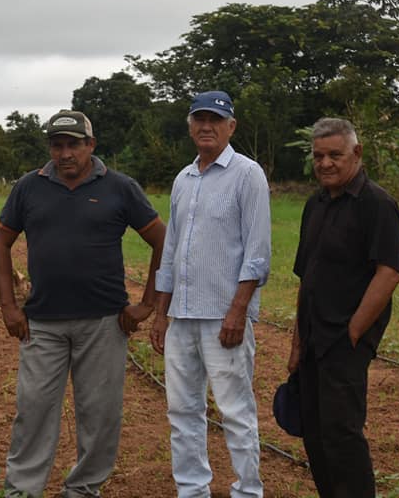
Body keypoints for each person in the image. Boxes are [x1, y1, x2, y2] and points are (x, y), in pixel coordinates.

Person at [0, 109, 167, 497]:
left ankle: (84, 489)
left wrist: (147, 303)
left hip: (104, 323)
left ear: (91, 145)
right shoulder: (28, 187)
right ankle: (22, 490)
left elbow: (161, 241)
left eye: (74, 144)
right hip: (42, 323)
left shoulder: (120, 188)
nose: (66, 153)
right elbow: (0, 242)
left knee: (100, 415)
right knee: (33, 411)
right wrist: (8, 307)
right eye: (58, 145)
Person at [150, 91, 271, 498]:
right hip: (181, 317)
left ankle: (247, 491)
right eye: (199, 119)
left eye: (215, 120)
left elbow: (257, 254)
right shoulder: (184, 179)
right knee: (182, 411)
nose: (206, 126)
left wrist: (237, 312)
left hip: (224, 317)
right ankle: (192, 490)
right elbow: (171, 251)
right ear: (189, 126)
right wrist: (160, 314)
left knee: (235, 411)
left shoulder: (247, 173)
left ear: (231, 126)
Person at [287, 117, 399, 498]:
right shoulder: (315, 204)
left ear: (357, 153)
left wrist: (354, 332)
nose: (325, 164)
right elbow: (307, 276)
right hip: (313, 339)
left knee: (342, 433)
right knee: (314, 432)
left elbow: (388, 274)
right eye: (318, 156)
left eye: (335, 155)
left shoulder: (377, 205)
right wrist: (296, 342)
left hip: (345, 342)